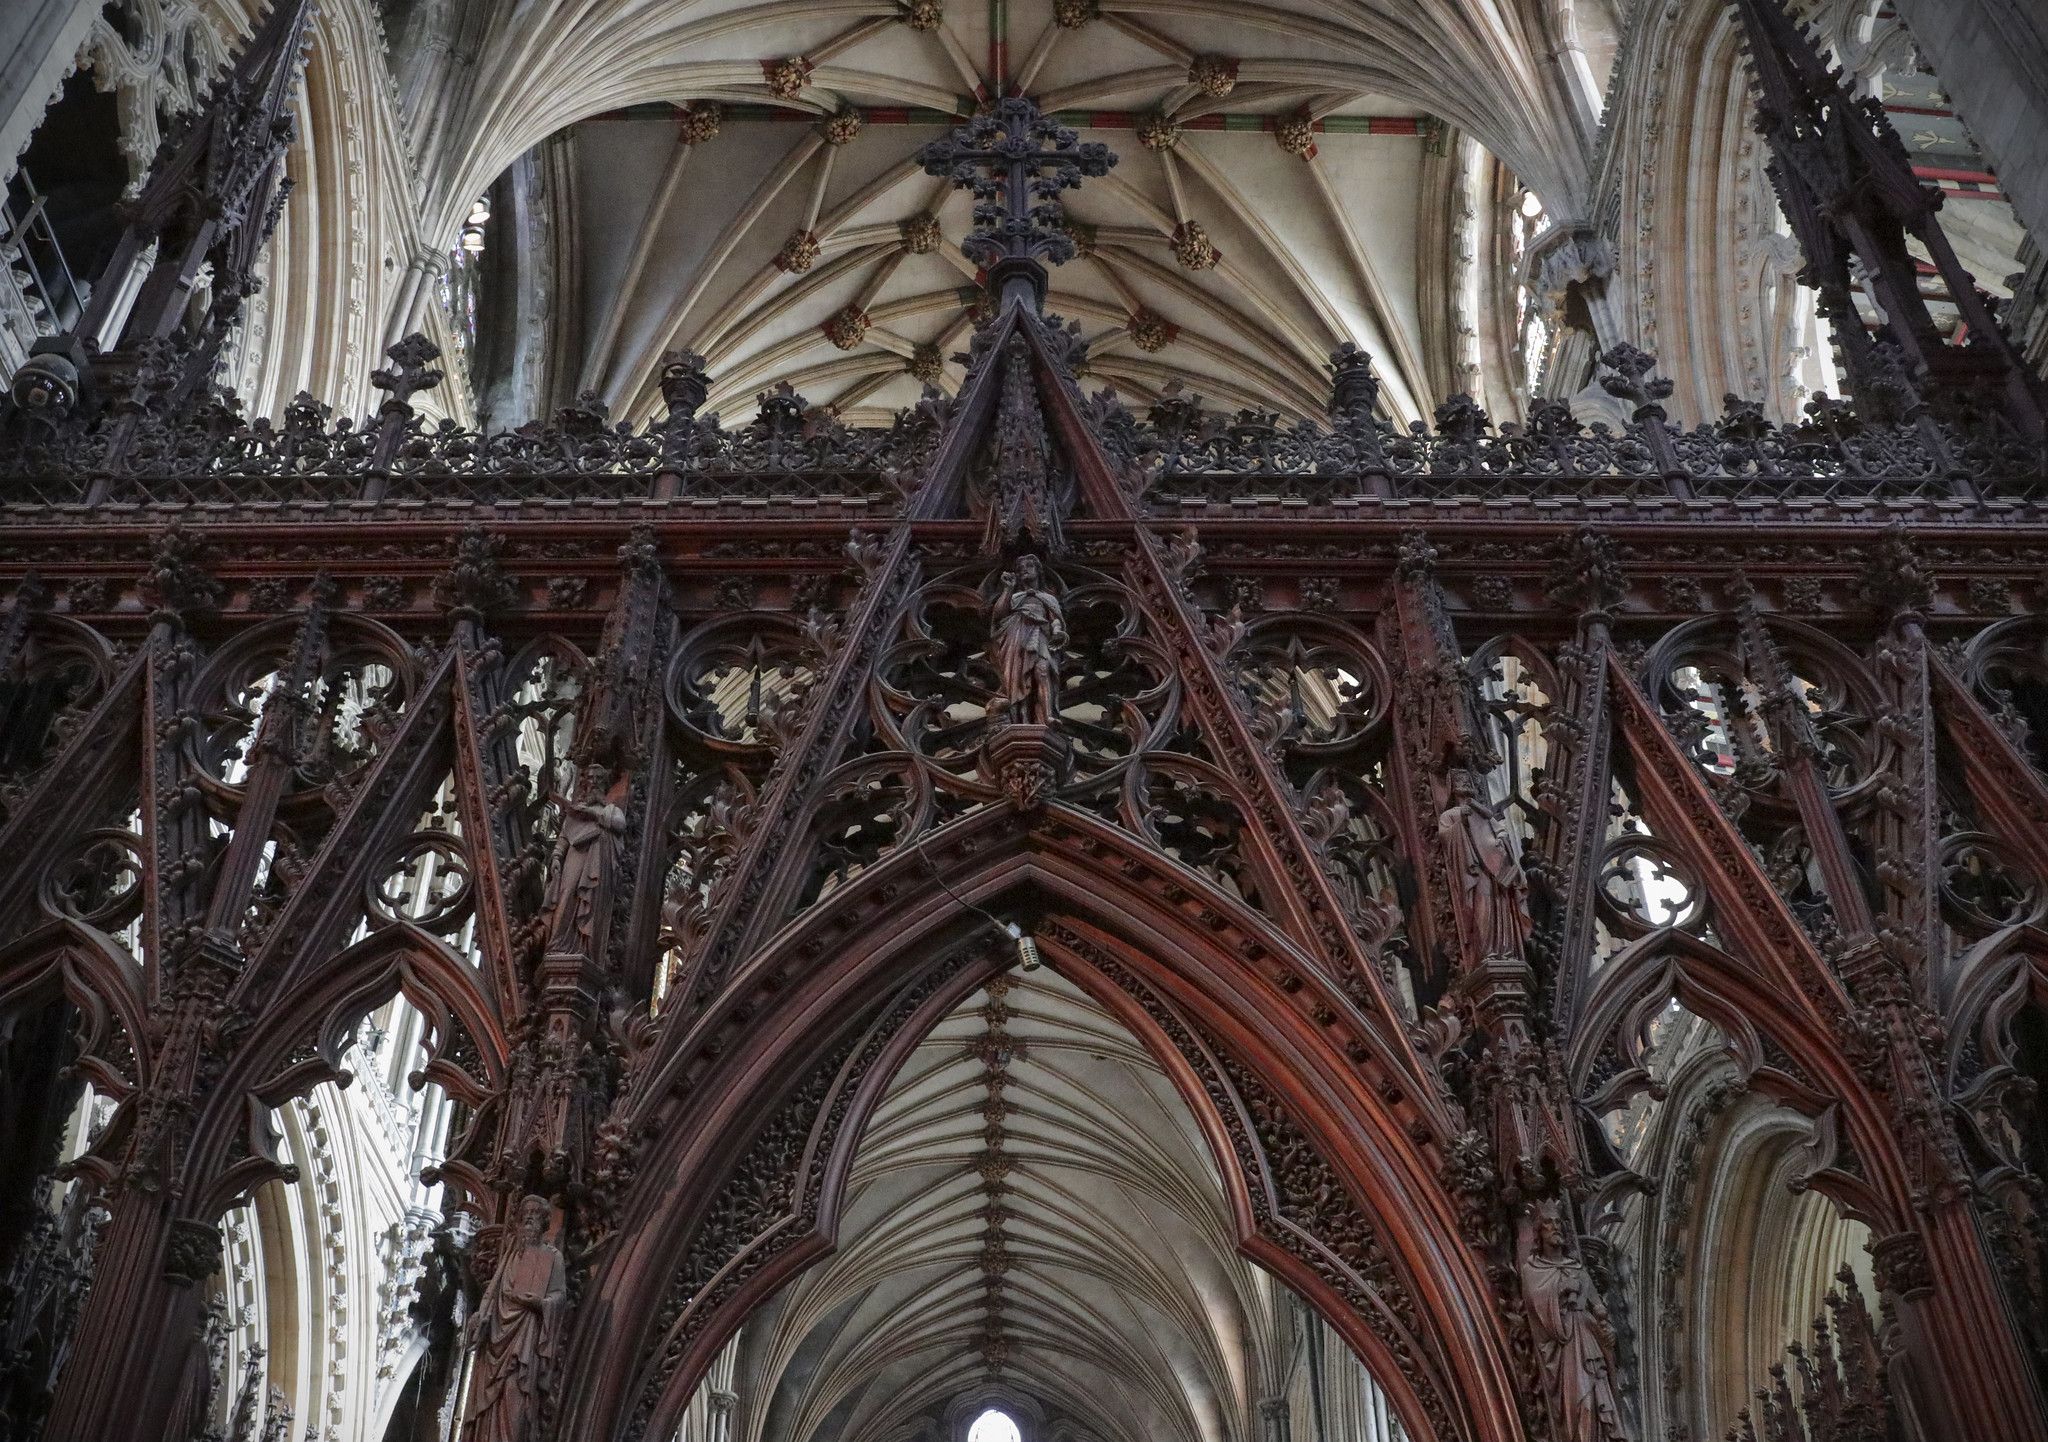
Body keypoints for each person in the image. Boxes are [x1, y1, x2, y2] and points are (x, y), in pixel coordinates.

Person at [1518, 1202, 1627, 1442]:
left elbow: (1598, 1306)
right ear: (1539, 1232)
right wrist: (1560, 1288)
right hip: (1564, 1346)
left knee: (1598, 1396)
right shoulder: (1532, 1269)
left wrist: (1607, 1329)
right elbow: (1536, 1305)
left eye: (1558, 1222)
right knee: (1582, 1403)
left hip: (1588, 1336)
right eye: (1549, 1223)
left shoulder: (1577, 1267)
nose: (1555, 1227)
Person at [462, 1195, 566, 1442]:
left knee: (514, 1397)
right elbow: (492, 1292)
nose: (529, 1219)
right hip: (494, 1341)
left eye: (535, 1215)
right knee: (486, 1407)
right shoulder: (509, 1255)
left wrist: (540, 1303)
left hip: (524, 1341)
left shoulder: (552, 1257)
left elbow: (559, 1296)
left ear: (544, 1223)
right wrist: (480, 1316)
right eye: (525, 1214)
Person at [1436, 771, 1531, 960]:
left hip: (1495, 868)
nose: (1464, 783)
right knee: (1482, 905)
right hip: (1474, 870)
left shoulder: (1481, 811)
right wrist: (1461, 821)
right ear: (1452, 788)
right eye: (1459, 781)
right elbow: (1445, 836)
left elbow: (1499, 830)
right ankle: (1487, 951)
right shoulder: (1449, 815)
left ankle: (1506, 950)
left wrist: (1501, 840)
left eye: (1467, 780)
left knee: (1500, 905)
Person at [542, 762, 625, 957]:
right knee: (566, 893)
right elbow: (564, 836)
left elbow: (619, 824)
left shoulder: (611, 810)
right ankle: (557, 945)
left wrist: (593, 813)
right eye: (590, 778)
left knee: (590, 901)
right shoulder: (577, 810)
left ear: (605, 783)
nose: (594, 782)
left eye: (598, 778)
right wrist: (556, 856)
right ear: (584, 783)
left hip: (597, 862)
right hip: (575, 856)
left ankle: (583, 949)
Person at [989, 556, 1067, 725]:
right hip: (1016, 637)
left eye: (1029, 565)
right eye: (1020, 568)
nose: (1024, 569)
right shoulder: (1014, 596)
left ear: (1038, 570)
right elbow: (999, 615)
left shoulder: (1048, 598)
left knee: (1043, 670)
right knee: (1017, 677)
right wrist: (1008, 589)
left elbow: (1055, 618)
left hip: (1039, 635)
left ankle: (1047, 716)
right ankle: (1019, 719)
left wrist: (1057, 632)